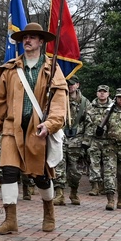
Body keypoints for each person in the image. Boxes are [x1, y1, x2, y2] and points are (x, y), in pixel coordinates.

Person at [0, 23, 68, 234]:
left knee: (41, 176)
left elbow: (59, 103)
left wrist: (50, 124)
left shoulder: (52, 69)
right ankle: (10, 219)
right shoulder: (10, 69)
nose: (28, 40)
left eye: (32, 37)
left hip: (37, 129)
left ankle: (49, 210)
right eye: (25, 37)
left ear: (41, 42)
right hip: (12, 128)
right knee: (8, 171)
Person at [54, 76, 89, 206]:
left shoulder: (84, 102)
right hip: (60, 138)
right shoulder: (59, 100)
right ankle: (59, 194)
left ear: (78, 85)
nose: (70, 86)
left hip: (77, 141)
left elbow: (89, 123)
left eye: (72, 84)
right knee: (59, 167)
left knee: (75, 171)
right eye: (68, 84)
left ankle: (74, 192)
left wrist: (86, 140)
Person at [82, 85, 113, 197]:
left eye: (104, 92)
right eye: (100, 91)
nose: (102, 94)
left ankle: (106, 186)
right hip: (94, 140)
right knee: (94, 164)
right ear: (97, 93)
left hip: (108, 140)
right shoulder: (90, 107)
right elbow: (85, 123)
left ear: (108, 94)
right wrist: (86, 140)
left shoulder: (113, 107)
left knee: (108, 165)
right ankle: (95, 186)